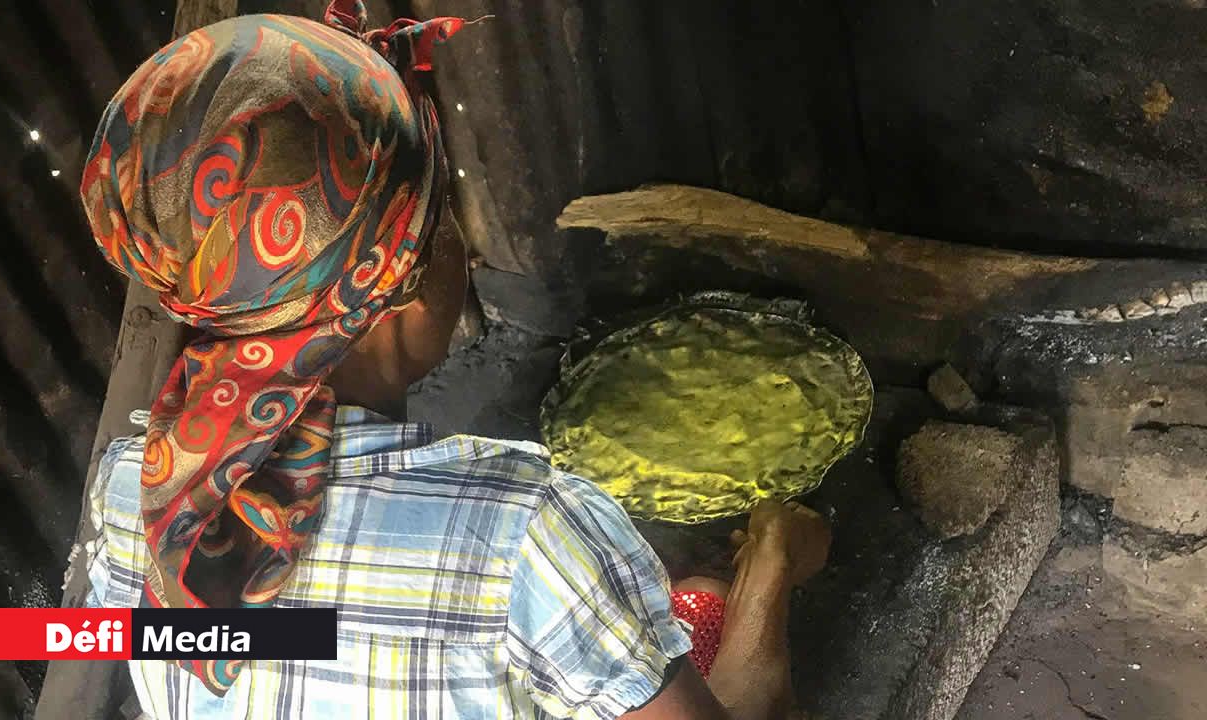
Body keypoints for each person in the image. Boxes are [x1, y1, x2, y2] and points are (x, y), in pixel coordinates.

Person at [77, 3, 832, 718]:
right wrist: (771, 566)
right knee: (711, 606)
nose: (462, 249)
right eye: (443, 219)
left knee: (682, 600)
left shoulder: (132, 489)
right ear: (401, 280)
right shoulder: (525, 533)